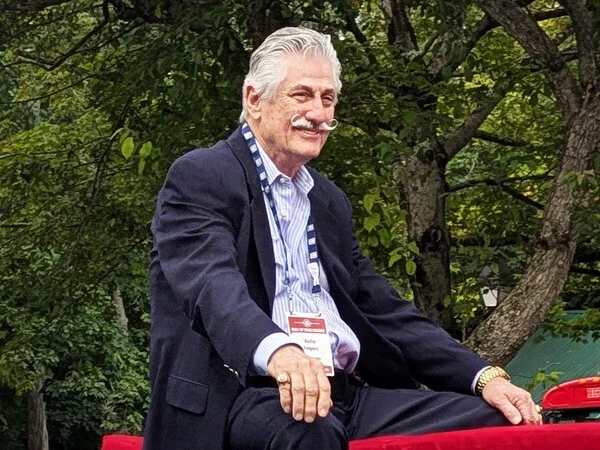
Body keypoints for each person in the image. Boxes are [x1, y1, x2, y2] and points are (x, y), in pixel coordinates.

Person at [143, 27, 541, 450]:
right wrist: (280, 353)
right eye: (302, 95)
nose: (318, 113)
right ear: (254, 99)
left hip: (343, 393)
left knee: (496, 421)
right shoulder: (202, 175)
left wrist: (483, 377)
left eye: (328, 98)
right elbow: (212, 286)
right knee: (309, 430)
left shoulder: (328, 200)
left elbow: (380, 307)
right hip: (247, 393)